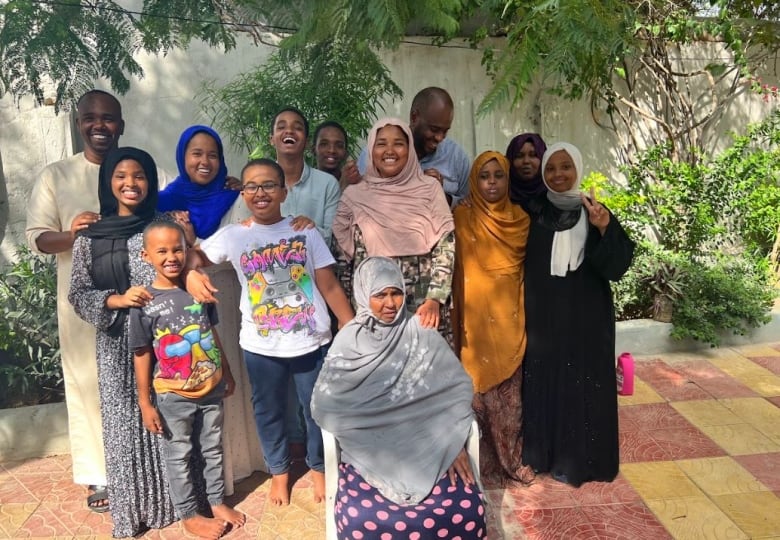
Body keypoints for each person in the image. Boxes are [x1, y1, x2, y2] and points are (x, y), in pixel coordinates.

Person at [195, 158, 355, 506]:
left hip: (310, 341)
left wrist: (349, 324)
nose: (260, 192)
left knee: (316, 410)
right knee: (268, 411)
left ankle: (319, 469)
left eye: (269, 185)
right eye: (251, 186)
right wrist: (192, 273)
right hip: (261, 345)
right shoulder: (235, 235)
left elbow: (327, 284)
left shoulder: (305, 231)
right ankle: (279, 473)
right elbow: (193, 256)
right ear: (244, 193)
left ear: (284, 192)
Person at [312, 256, 486, 540]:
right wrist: (367, 432)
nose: (390, 304)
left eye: (396, 293)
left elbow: (453, 392)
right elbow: (327, 404)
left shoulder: (421, 334)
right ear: (363, 294)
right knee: (358, 517)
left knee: (466, 510)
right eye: (380, 295)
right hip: (371, 450)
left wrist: (453, 441)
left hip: (433, 446)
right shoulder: (348, 341)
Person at [68, 147, 176, 536]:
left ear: (150, 181)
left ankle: (174, 504)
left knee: (167, 415)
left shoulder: (164, 224)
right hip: (116, 341)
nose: (131, 184)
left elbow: (184, 267)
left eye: (140, 176)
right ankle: (132, 511)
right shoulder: (90, 235)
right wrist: (117, 299)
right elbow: (78, 293)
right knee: (124, 425)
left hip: (166, 339)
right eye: (121, 176)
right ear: (108, 182)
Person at [25, 89, 124, 512]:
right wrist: (74, 235)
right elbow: (37, 237)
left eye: (108, 118)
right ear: (79, 123)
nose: (99, 125)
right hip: (80, 303)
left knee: (136, 381)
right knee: (89, 384)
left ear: (121, 124)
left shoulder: (137, 168)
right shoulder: (56, 176)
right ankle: (101, 473)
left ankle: (141, 466)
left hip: (134, 296)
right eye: (90, 118)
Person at [158, 125, 264, 494]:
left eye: (212, 154)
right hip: (190, 300)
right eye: (196, 153)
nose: (205, 161)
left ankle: (251, 458)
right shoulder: (164, 203)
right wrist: (188, 252)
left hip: (234, 292)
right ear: (182, 158)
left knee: (240, 373)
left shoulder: (233, 196)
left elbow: (240, 243)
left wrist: (193, 245)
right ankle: (220, 473)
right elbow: (163, 255)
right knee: (209, 374)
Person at [521, 142, 635, 487]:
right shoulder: (532, 211)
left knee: (585, 386)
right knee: (547, 384)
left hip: (587, 319)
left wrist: (603, 228)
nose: (558, 174)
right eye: (551, 168)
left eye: (565, 167)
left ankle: (589, 462)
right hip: (543, 320)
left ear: (578, 170)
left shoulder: (594, 210)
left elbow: (616, 267)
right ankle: (545, 457)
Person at [130, 221, 245, 540]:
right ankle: (189, 515)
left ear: (187, 250)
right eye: (162, 250)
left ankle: (217, 501)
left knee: (213, 448)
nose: (171, 256)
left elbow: (212, 333)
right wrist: (144, 402)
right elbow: (141, 353)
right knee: (178, 454)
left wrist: (227, 372)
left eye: (178, 248)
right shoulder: (144, 302)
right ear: (146, 255)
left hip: (212, 388)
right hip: (172, 395)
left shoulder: (199, 289)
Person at [452, 151, 534, 486]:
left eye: (498, 175)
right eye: (484, 176)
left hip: (510, 323)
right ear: (474, 179)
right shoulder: (461, 216)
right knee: (473, 403)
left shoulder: (521, 220)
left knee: (510, 409)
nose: (491, 182)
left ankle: (510, 462)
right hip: (473, 326)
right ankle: (478, 466)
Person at [333, 118, 456, 339]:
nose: (390, 150)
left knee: (427, 369)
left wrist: (434, 300)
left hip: (424, 311)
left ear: (410, 149)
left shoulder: (429, 190)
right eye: (381, 144)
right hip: (373, 313)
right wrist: (348, 317)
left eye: (398, 143)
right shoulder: (354, 195)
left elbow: (446, 248)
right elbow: (343, 261)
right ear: (371, 149)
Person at [352, 87, 471, 205]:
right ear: (414, 117)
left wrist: (441, 196)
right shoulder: (375, 153)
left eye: (445, 131)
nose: (439, 138)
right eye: (434, 129)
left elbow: (469, 207)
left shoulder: (456, 157)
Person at [270, 107, 341, 245]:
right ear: (271, 139)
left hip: (315, 264)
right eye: (281, 127)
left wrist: (311, 229)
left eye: (297, 127)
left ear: (307, 142)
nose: (289, 131)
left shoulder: (328, 184)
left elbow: (332, 238)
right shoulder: (259, 183)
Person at [505, 132, 547, 210]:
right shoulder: (501, 196)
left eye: (533, 155)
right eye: (519, 156)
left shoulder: (554, 196)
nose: (526, 161)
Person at [312, 120, 349, 189]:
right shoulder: (302, 185)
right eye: (324, 144)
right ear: (313, 150)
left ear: (346, 154)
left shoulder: (357, 188)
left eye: (339, 145)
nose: (332, 150)